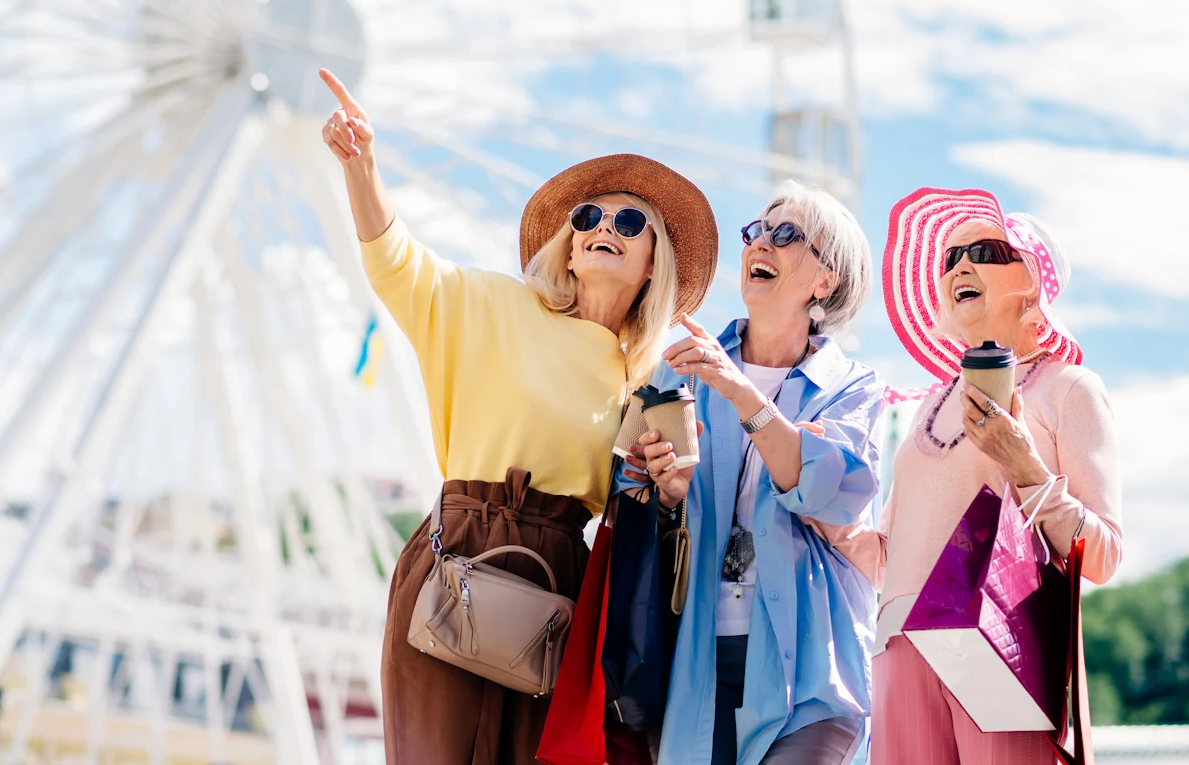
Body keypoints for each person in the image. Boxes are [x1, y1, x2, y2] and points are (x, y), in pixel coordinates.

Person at [317, 68, 720, 764]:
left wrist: (666, 483)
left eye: (630, 223)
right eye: (588, 217)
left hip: (558, 585)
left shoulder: (648, 380)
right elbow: (394, 263)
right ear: (567, 240)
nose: (603, 229)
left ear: (657, 262)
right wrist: (362, 165)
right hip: (456, 557)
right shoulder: (491, 305)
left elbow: (652, 509)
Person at [622, 181, 885, 764]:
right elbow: (626, 491)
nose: (761, 243)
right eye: (757, 232)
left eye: (786, 235)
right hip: (692, 662)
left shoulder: (854, 389)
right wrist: (665, 493)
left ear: (825, 280)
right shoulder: (680, 372)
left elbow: (825, 491)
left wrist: (740, 392)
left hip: (816, 669)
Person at [861, 187, 1123, 764]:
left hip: (1000, 646)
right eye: (950, 258)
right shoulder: (927, 408)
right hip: (897, 648)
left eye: (983, 250)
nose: (960, 266)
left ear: (1031, 279)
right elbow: (887, 555)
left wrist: (1023, 463)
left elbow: (1102, 555)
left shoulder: (1071, 390)